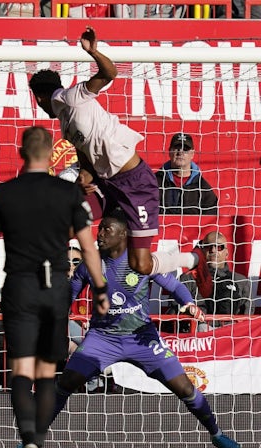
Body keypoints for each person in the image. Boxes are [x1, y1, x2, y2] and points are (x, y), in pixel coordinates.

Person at [28, 27, 213, 300]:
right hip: (107, 183)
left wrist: (92, 52)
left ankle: (193, 259)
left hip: (135, 184)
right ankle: (47, 290)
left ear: (39, 97)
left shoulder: (71, 97)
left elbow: (109, 74)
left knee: (141, 264)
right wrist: (85, 178)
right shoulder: (65, 121)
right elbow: (85, 154)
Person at [0, 126, 109, 448]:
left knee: (21, 371)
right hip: (54, 288)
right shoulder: (67, 193)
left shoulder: (3, 193)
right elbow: (88, 246)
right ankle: (35, 444)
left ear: (21, 151)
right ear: (51, 153)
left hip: (19, 285)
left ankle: (28, 442)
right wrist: (101, 288)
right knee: (48, 373)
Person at [51, 208, 241, 448]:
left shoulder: (142, 261)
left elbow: (173, 284)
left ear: (124, 234)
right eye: (99, 229)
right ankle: (31, 439)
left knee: (185, 387)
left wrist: (189, 304)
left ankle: (216, 433)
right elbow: (68, 296)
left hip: (142, 338)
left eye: (106, 230)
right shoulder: (90, 263)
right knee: (66, 382)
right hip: (103, 338)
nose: (99, 235)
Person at [177, 231, 253, 328]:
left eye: (219, 247)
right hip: (199, 335)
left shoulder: (241, 281)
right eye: (208, 246)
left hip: (231, 335)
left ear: (227, 253)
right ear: (202, 251)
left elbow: (248, 316)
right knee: (202, 327)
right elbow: (176, 309)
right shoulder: (188, 278)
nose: (213, 250)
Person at [156, 133, 219, 215]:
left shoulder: (203, 189)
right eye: (177, 148)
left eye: (185, 149)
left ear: (192, 154)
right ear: (169, 152)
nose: (180, 152)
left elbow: (210, 222)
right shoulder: (154, 182)